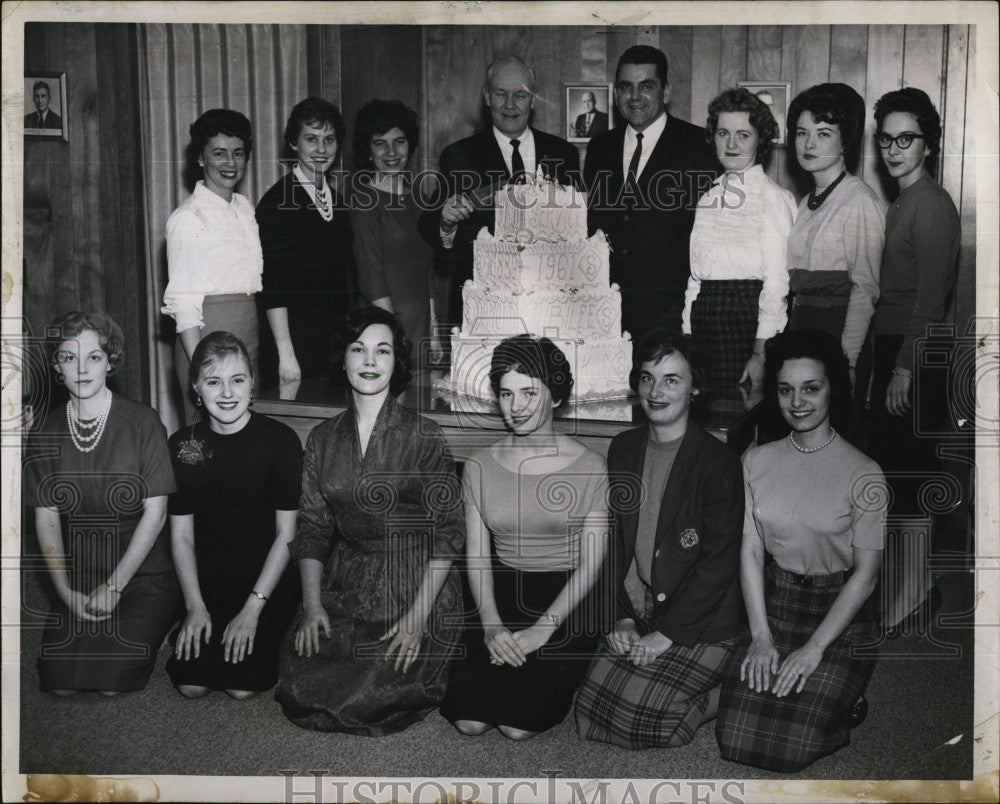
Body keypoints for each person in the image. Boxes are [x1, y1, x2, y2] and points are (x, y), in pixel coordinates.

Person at [275, 307, 464, 734]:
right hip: (349, 575)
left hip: (415, 580)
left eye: (382, 351)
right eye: (357, 349)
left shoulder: (425, 435)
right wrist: (311, 604)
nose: (369, 361)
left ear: (396, 362)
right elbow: (313, 527)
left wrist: (417, 620)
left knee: (370, 691)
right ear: (342, 360)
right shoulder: (322, 439)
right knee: (301, 675)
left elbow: (449, 533)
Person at [715, 328, 886, 772]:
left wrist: (812, 650)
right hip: (776, 603)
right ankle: (820, 692)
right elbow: (751, 553)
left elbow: (866, 577)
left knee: (791, 748)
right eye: (786, 390)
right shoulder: (756, 459)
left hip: (839, 612)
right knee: (734, 738)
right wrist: (760, 637)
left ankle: (842, 700)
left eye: (812, 388)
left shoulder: (865, 473)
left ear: (833, 389)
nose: (798, 402)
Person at [574, 331, 745, 748]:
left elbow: (719, 563)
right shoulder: (624, 448)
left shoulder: (718, 462)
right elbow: (617, 543)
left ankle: (729, 691)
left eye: (672, 379)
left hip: (703, 617)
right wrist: (624, 618)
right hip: (646, 606)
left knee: (646, 725)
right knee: (588, 712)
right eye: (648, 377)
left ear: (695, 389)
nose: (655, 391)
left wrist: (666, 636)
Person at [440, 334, 610, 740]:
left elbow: (592, 564)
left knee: (517, 726)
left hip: (566, 602)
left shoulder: (591, 467)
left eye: (529, 392)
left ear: (555, 397)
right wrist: (491, 624)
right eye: (506, 393)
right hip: (499, 595)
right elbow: (478, 558)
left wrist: (544, 629)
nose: (516, 407)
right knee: (469, 720)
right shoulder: (479, 466)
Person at [23, 311, 180, 695]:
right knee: (58, 682)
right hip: (81, 574)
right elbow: (46, 520)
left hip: (144, 576)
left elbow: (156, 515)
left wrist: (114, 587)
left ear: (110, 362)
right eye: (68, 357)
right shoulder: (45, 431)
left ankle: (161, 620)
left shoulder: (143, 422)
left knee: (111, 681)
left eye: (93, 357)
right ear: (57, 366)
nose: (81, 368)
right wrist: (62, 589)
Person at [865, 88, 960, 631]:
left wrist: (903, 367)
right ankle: (912, 592)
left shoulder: (932, 204)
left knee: (908, 477)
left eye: (907, 138)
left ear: (928, 144)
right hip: (898, 348)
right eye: (886, 139)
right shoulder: (905, 201)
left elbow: (930, 297)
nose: (895, 148)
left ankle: (911, 597)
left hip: (917, 354)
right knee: (898, 475)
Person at [165, 331, 303, 699]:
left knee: (241, 687)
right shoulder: (181, 445)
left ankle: (279, 621)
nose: (226, 393)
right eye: (213, 382)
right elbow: (181, 537)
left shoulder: (281, 441)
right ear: (196, 387)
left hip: (267, 574)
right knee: (191, 684)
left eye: (237, 380)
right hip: (209, 573)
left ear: (251, 383)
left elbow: (287, 536)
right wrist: (194, 606)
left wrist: (252, 610)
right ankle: (184, 617)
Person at [417, 55, 580, 330]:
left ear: (534, 98)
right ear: (487, 97)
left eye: (520, 95)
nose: (510, 105)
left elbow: (579, 229)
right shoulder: (458, 155)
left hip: (549, 310)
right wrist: (446, 221)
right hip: (483, 313)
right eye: (500, 93)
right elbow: (428, 224)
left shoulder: (564, 154)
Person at [584, 45, 718, 343]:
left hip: (672, 314)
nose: (634, 97)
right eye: (625, 87)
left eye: (646, 86)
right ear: (615, 93)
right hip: (605, 314)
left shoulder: (700, 146)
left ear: (666, 91)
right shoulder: (599, 148)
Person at [684, 87, 797, 391]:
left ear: (760, 140)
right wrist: (687, 339)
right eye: (723, 133)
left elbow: (777, 282)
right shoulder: (707, 198)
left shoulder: (773, 197)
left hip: (747, 326)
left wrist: (761, 353)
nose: (731, 144)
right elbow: (695, 280)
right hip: (704, 325)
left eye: (743, 135)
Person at [162, 108, 262, 423]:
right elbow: (184, 308)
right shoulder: (188, 218)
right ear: (201, 158)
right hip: (207, 342)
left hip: (247, 339)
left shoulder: (244, 208)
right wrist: (204, 375)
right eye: (219, 153)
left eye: (238, 153)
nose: (230, 163)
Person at [785, 83, 885, 378]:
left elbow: (865, 288)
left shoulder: (860, 200)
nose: (809, 144)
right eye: (802, 133)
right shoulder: (805, 202)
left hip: (837, 333)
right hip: (801, 329)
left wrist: (849, 360)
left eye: (823, 133)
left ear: (845, 142)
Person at [256, 98, 354, 390]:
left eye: (329, 139)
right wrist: (286, 354)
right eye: (311, 139)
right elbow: (272, 287)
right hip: (293, 347)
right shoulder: (277, 202)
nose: (321, 149)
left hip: (333, 344)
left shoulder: (338, 203)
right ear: (293, 143)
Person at [350, 99, 436, 365]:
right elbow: (371, 278)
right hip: (382, 330)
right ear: (368, 150)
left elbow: (429, 272)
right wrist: (394, 337)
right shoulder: (363, 200)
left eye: (399, 141)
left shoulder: (421, 198)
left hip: (420, 328)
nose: (391, 152)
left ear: (410, 145)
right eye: (380, 143)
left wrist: (433, 333)